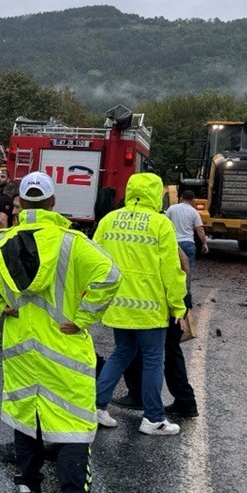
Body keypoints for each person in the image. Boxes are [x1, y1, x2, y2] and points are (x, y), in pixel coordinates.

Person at [0, 171, 120, 493]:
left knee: (26, 416)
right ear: (52, 203)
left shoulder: (0, 242)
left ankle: (29, 491)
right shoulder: (71, 243)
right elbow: (110, 276)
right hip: (64, 350)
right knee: (75, 427)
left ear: (20, 205)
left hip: (21, 348)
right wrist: (83, 318)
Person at [92, 173, 188, 436]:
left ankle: (97, 407)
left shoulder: (109, 220)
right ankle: (153, 418)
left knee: (121, 353)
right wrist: (178, 306)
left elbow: (94, 259)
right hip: (150, 308)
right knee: (154, 359)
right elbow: (171, 269)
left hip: (118, 304)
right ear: (157, 194)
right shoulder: (160, 223)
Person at [111, 248, 199, 417]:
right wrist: (185, 294)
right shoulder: (159, 231)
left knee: (139, 348)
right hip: (171, 300)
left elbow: (182, 261)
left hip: (160, 302)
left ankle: (138, 395)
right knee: (170, 351)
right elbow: (184, 261)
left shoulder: (154, 232)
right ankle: (184, 400)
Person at [165, 190, 208, 275]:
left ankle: (174, 287)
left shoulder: (172, 209)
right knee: (188, 270)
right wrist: (204, 243)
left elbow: (165, 224)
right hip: (188, 243)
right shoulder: (194, 212)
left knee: (173, 269)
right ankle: (186, 288)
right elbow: (200, 229)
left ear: (181, 198)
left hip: (174, 243)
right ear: (193, 200)